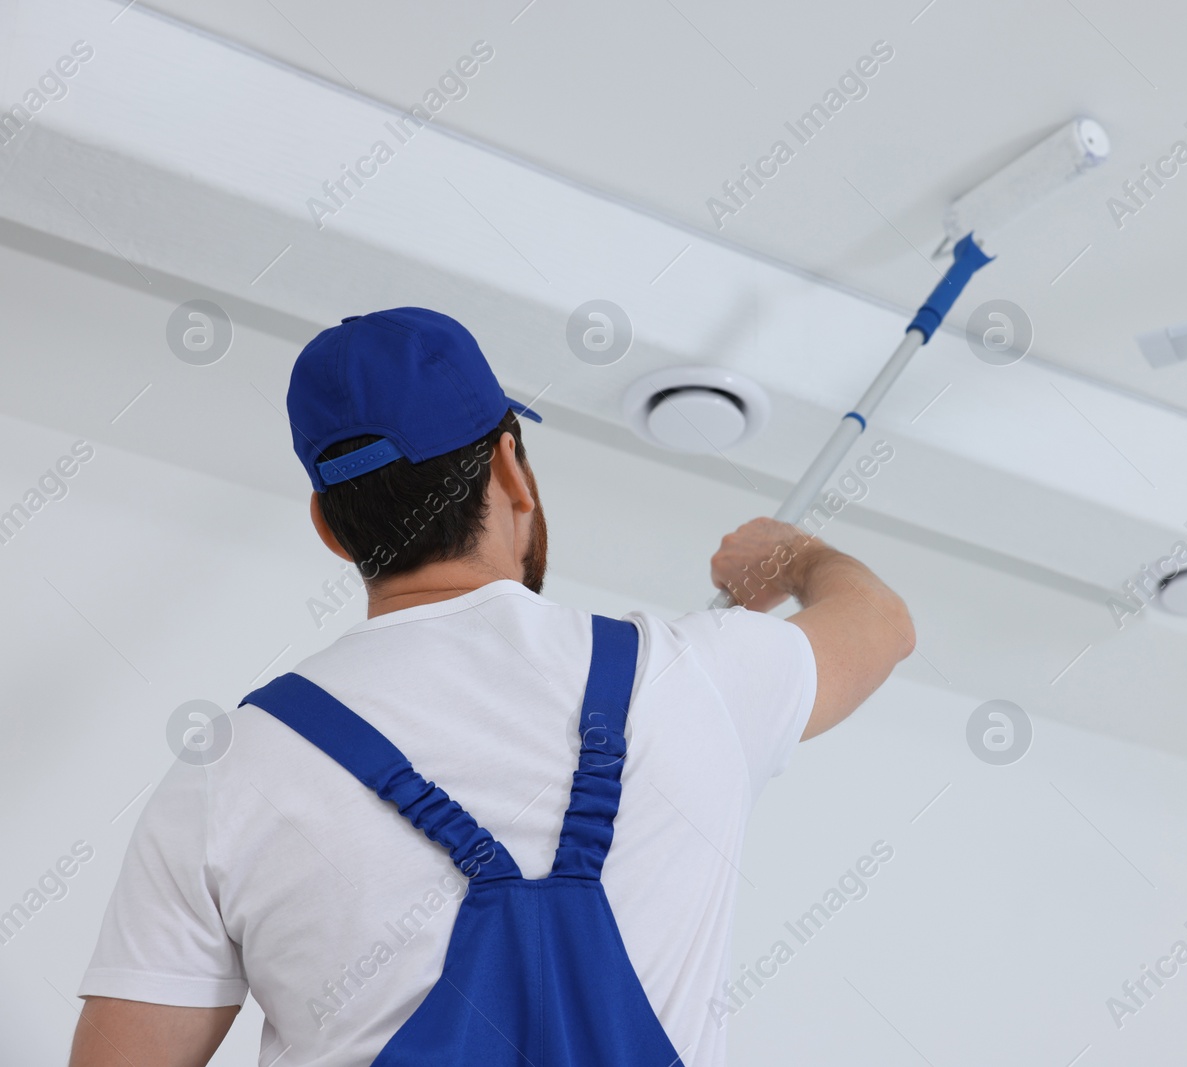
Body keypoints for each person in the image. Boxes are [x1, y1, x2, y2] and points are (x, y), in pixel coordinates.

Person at [67, 308, 913, 1066]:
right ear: (512, 468)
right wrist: (792, 554)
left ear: (330, 528)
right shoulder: (692, 677)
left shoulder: (228, 767)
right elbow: (879, 623)